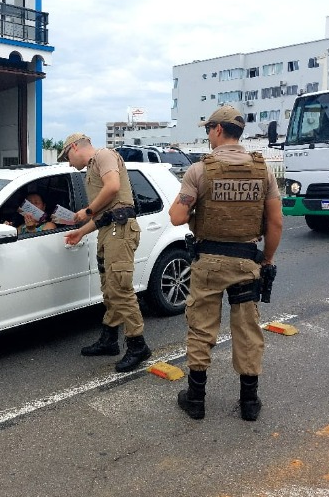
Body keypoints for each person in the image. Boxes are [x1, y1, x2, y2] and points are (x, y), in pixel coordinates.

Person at [169, 106, 283, 421]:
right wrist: (267, 258)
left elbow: (177, 216)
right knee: (247, 330)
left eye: (208, 130)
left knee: (201, 328)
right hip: (247, 262)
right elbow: (275, 224)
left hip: (208, 263)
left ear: (218, 130)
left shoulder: (199, 170)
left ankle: (195, 399)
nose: (208, 136)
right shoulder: (263, 170)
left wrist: (197, 213)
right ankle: (249, 402)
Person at [59, 133, 152, 372]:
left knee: (120, 289)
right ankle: (110, 339)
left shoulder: (104, 155)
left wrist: (87, 211)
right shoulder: (92, 168)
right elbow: (104, 215)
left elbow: (113, 187)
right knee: (110, 289)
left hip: (120, 231)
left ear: (74, 147)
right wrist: (82, 231)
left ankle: (137, 345)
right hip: (108, 230)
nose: (69, 163)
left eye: (67, 156)